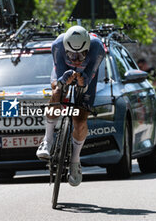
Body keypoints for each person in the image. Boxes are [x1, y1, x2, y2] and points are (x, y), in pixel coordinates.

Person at [36, 25, 105, 186]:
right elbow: (59, 74)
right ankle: (47, 140)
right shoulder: (58, 45)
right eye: (71, 54)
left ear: (87, 48)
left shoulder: (97, 48)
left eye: (81, 54)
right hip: (63, 71)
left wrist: (82, 80)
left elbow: (89, 77)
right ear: (65, 48)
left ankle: (75, 161)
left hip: (87, 75)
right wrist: (62, 82)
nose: (75, 58)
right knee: (56, 93)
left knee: (80, 120)